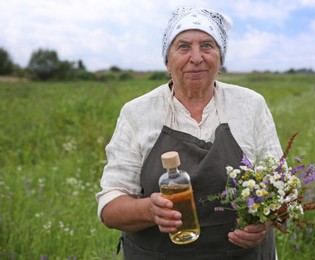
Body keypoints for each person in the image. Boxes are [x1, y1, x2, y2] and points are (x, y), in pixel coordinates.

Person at [96, 5, 283, 260]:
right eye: (183, 46)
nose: (196, 57)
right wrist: (149, 210)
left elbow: (280, 187)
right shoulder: (137, 113)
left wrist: (266, 222)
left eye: (207, 45)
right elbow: (110, 208)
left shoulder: (250, 105)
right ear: (167, 60)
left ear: (220, 58)